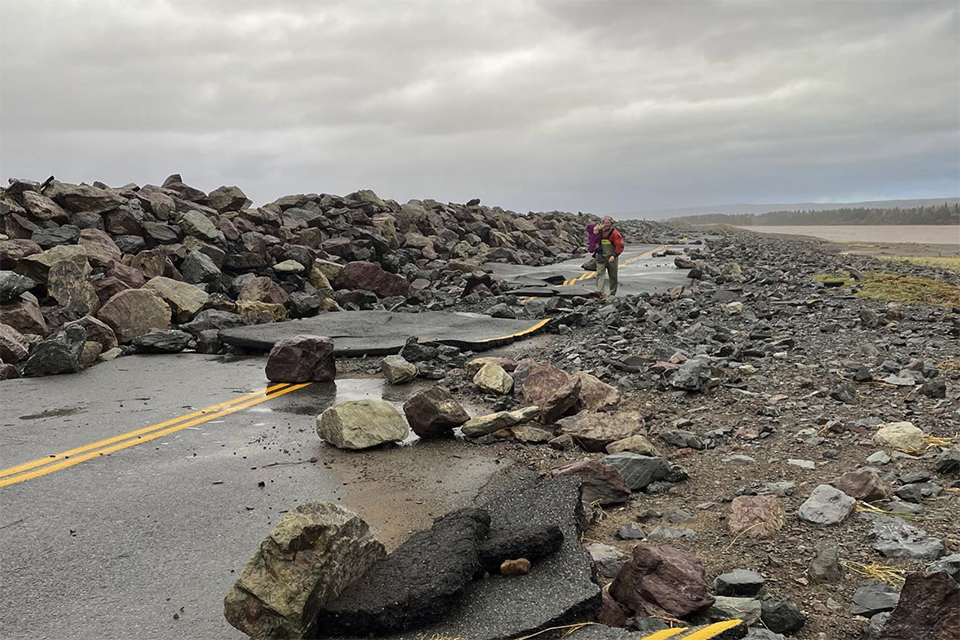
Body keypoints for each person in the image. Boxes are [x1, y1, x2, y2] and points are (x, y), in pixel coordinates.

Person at [595, 216, 624, 297]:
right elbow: (592, 238)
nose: (606, 224)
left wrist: (614, 255)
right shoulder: (599, 232)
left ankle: (612, 293)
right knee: (600, 273)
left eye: (608, 223)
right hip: (601, 256)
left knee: (613, 275)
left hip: (611, 257)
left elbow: (620, 245)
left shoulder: (614, 233)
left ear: (611, 223)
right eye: (605, 223)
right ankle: (599, 292)